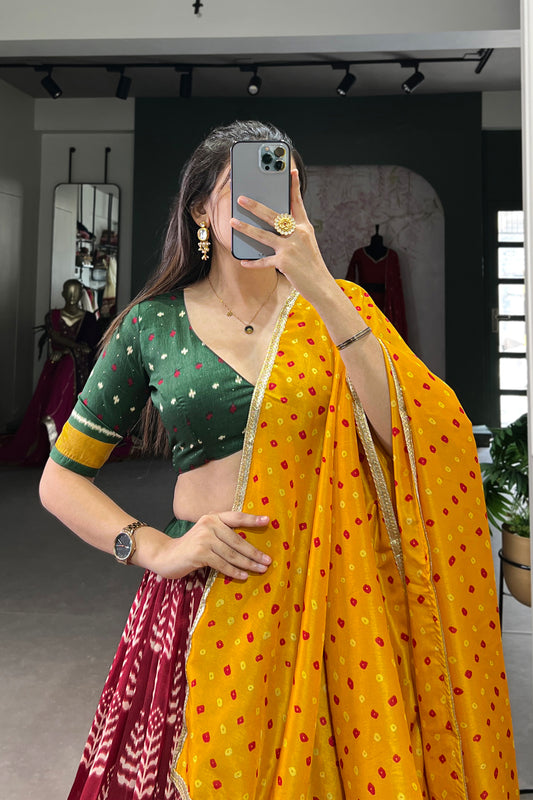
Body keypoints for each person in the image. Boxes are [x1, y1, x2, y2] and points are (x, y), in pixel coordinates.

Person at [39, 121, 518, 800]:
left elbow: (413, 436)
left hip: (336, 601)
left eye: (284, 191)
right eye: (244, 189)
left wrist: (320, 283)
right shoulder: (153, 324)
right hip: (208, 593)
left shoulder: (340, 308)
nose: (267, 207)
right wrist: (150, 547)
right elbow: (60, 480)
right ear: (199, 210)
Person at [0, 279, 98, 465]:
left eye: (76, 292)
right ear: (62, 293)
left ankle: (64, 433)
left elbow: (89, 346)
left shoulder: (88, 319)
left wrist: (70, 350)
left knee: (69, 365)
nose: (72, 296)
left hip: (78, 367)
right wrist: (72, 348)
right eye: (69, 291)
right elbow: (55, 337)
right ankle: (52, 431)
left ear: (81, 294)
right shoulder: (53, 316)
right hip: (56, 365)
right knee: (60, 376)